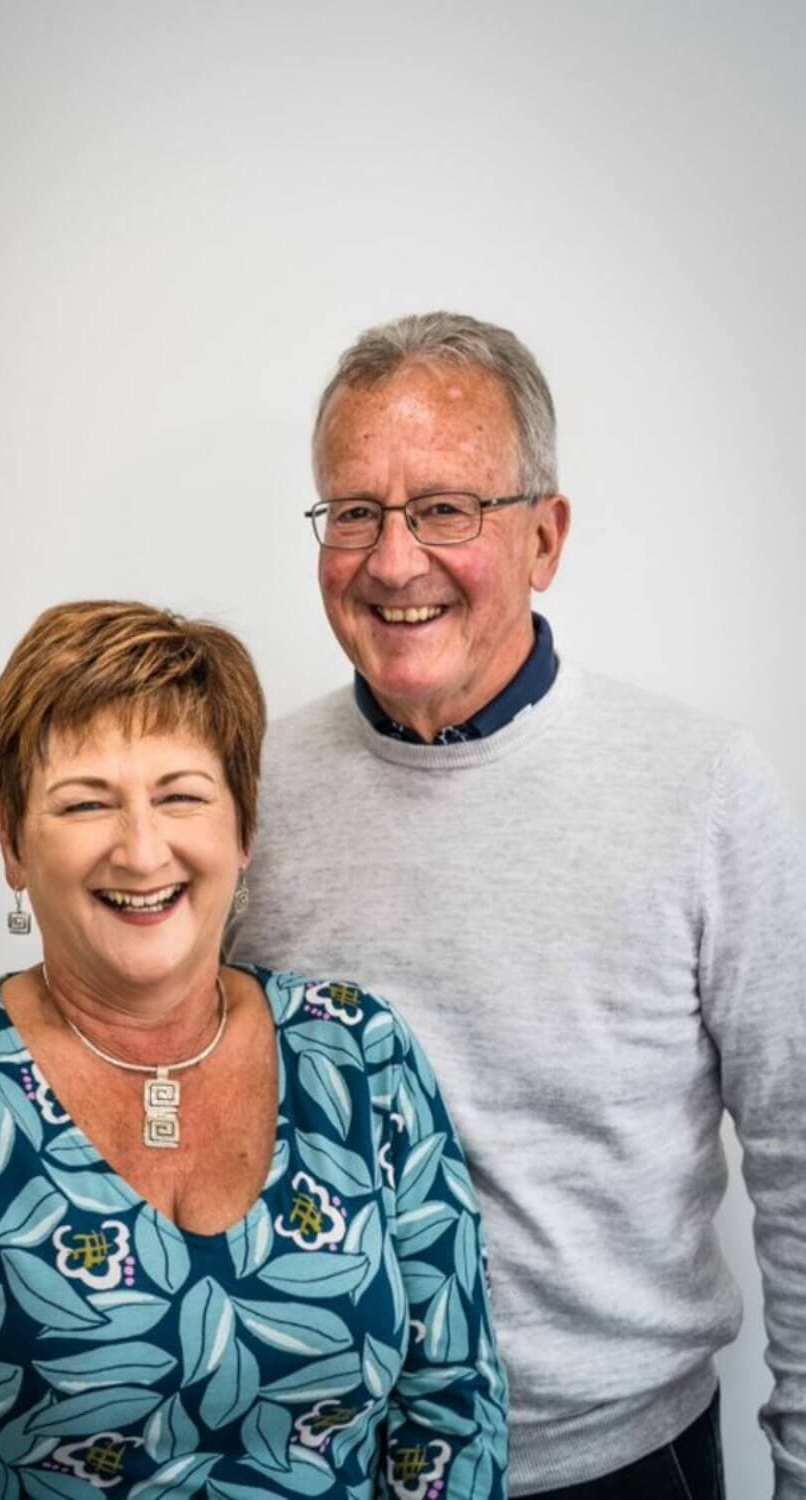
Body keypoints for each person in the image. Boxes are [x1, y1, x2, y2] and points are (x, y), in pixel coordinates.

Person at [231, 312, 806, 1499]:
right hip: (321, 1466)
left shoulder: (699, 789)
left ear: (544, 536)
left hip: (621, 1465)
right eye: (354, 512)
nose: (395, 561)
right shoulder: (246, 795)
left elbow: (799, 1155)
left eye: (446, 508)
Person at [0, 599, 507, 1500]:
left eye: (181, 796)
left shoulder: (361, 1054)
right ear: (11, 840)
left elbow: (451, 1408)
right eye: (86, 802)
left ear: (243, 828)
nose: (142, 850)